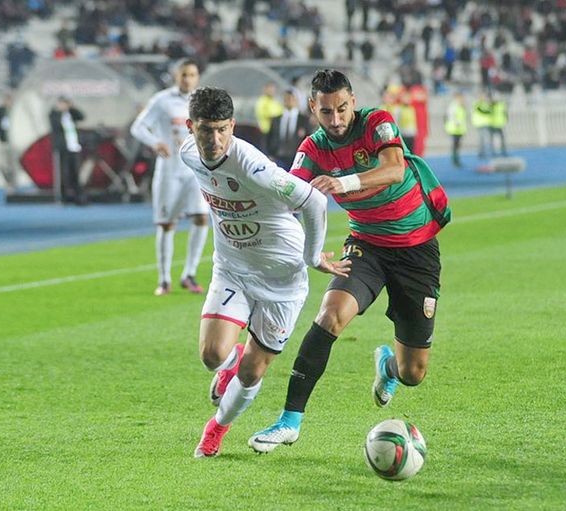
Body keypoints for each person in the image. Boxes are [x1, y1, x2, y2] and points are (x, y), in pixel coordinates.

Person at [248, 69, 451, 454]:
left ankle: (388, 367)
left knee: (413, 373)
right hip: (366, 245)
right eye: (326, 112)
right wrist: (297, 243)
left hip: (416, 250)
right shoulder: (312, 149)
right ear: (313, 108)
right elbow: (291, 196)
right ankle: (290, 421)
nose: (337, 119)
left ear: (353, 102)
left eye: (342, 109)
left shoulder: (377, 122)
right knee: (329, 315)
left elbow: (394, 169)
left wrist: (343, 183)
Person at [182, 87, 350, 458]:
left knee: (252, 372)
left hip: (281, 278)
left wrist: (312, 256)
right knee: (212, 354)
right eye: (206, 130)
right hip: (232, 269)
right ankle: (228, 362)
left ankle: (217, 428)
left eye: (223, 129)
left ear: (233, 126)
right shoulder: (187, 156)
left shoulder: (252, 165)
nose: (215, 139)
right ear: (190, 127)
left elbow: (314, 200)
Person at [130, 58, 210, 296]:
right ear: (176, 76)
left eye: (192, 74)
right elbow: (138, 127)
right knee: (166, 224)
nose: (188, 79)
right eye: (184, 74)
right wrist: (156, 142)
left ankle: (189, 273)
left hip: (196, 170)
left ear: (197, 77)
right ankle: (164, 279)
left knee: (201, 218)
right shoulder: (162, 100)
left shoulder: (202, 102)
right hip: (169, 171)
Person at [49, 96, 85, 205]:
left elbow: (81, 116)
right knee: (63, 173)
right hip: (62, 148)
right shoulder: (54, 114)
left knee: (75, 173)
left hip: (73, 147)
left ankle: (78, 196)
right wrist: (61, 111)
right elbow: (56, 125)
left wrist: (72, 108)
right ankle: (63, 197)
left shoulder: (71, 114)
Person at [266, 88, 312, 168]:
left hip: (297, 159)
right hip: (278, 158)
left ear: (297, 100)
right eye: (287, 98)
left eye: (292, 98)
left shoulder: (304, 120)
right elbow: (268, 138)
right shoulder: (276, 119)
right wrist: (269, 155)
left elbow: (309, 139)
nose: (289, 100)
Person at [0, 93, 17, 193]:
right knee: (2, 165)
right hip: (3, 141)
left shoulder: (15, 111)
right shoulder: (0, 111)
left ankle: (13, 183)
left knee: (13, 165)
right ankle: (8, 182)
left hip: (14, 142)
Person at [254, 82, 283, 154]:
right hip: (266, 131)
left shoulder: (275, 102)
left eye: (273, 89)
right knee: (265, 152)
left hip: (275, 131)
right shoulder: (262, 101)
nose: (272, 91)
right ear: (265, 90)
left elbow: (281, 113)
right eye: (270, 89)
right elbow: (263, 114)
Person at [444, 91, 467, 167]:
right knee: (455, 145)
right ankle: (455, 160)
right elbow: (451, 116)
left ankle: (457, 159)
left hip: (459, 129)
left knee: (457, 145)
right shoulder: (453, 106)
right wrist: (457, 123)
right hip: (454, 129)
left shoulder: (461, 106)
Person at [471, 91, 492, 159]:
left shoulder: (485, 104)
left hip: (486, 123)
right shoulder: (477, 104)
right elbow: (484, 112)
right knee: (482, 139)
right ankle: (482, 153)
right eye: (482, 96)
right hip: (480, 124)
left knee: (485, 139)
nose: (484, 98)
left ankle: (484, 153)